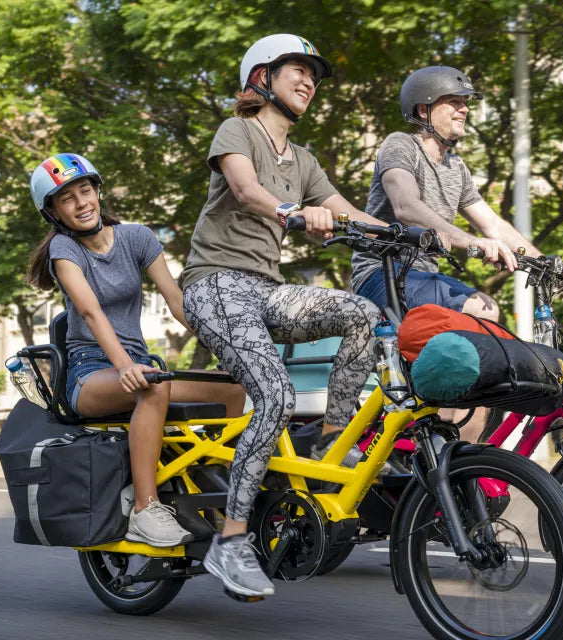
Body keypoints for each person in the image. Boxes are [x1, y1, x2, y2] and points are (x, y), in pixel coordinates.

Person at [180, 34, 385, 598]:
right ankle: (232, 540)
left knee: (361, 313)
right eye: (297, 70)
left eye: (313, 76)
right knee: (275, 394)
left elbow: (348, 214)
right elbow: (246, 190)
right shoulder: (237, 130)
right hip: (214, 285)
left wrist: (409, 234)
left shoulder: (305, 160)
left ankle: (330, 440)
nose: (308, 82)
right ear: (261, 79)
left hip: (265, 291)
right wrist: (293, 212)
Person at [25, 153, 246, 548]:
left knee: (233, 386)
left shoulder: (137, 237)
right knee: (152, 384)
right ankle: (146, 509)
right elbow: (91, 313)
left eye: (85, 190)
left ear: (98, 191)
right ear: (54, 213)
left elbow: (177, 302)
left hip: (140, 370)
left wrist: (231, 347)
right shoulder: (64, 250)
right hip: (89, 373)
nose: (82, 203)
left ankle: (216, 486)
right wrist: (126, 364)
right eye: (67, 199)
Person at [351, 66, 563, 439]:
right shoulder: (400, 146)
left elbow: (493, 224)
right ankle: (442, 437)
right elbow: (406, 206)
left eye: (465, 103)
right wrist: (467, 241)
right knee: (483, 311)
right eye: (453, 102)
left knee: (494, 353)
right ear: (423, 110)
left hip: (424, 282)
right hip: (382, 276)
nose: (463, 109)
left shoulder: (457, 168)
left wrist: (547, 262)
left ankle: (465, 462)